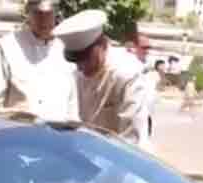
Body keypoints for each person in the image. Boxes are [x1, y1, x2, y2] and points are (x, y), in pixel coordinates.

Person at [54, 10, 149, 149]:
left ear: (103, 45)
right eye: (76, 61)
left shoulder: (127, 74)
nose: (81, 67)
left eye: (86, 59)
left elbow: (132, 140)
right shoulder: (77, 73)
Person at [0, 0, 78, 121]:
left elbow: (73, 104)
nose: (43, 20)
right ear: (28, 14)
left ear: (56, 14)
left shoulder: (67, 47)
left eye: (48, 13)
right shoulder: (8, 45)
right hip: (19, 132)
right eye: (38, 13)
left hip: (59, 134)